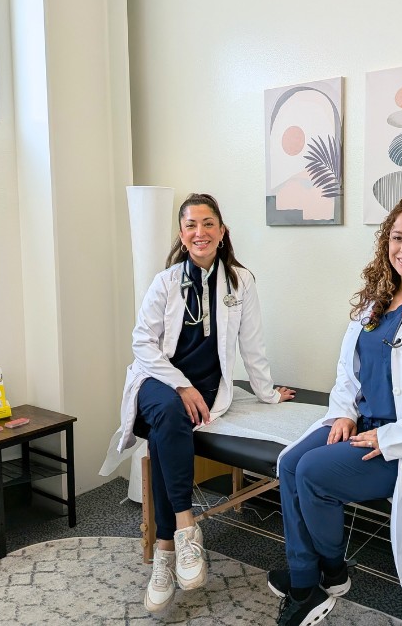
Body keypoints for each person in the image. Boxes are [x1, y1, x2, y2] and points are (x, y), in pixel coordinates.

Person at [269, 196, 402, 626]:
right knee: (292, 462)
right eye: (397, 237)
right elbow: (349, 369)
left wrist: (390, 437)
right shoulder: (376, 299)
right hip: (362, 421)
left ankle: (322, 573)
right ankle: (312, 575)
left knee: (313, 472)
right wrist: (345, 413)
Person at [100, 192, 295, 614]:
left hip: (207, 390)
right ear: (182, 234)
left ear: (222, 232)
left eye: (208, 224)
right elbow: (142, 344)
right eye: (191, 225)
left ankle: (165, 552)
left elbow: (252, 345)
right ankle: (187, 527)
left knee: (164, 433)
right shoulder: (165, 282)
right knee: (169, 410)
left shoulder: (241, 282)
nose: (200, 232)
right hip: (158, 381)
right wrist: (180, 385)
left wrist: (268, 392)